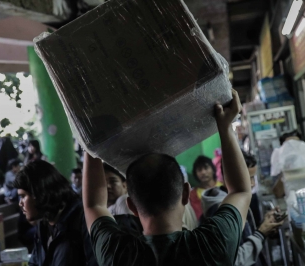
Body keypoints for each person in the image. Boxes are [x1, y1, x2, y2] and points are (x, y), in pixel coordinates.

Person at [83, 89, 253, 265]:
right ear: (186, 193)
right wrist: (225, 127)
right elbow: (240, 191)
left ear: (132, 205)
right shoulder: (212, 244)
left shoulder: (117, 254)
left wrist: (91, 142)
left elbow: (93, 205)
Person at [13, 160, 95, 266]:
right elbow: (35, 262)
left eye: (23, 196)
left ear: (39, 193)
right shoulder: (43, 226)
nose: (20, 203)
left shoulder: (82, 219)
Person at [189, 155, 224, 219]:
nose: (203, 172)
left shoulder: (224, 185)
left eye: (206, 168)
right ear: (195, 174)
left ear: (213, 169)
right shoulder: (192, 195)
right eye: (199, 170)